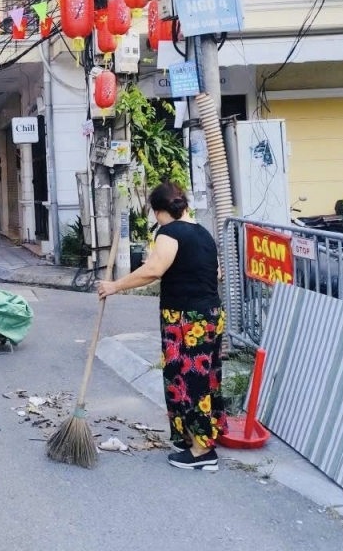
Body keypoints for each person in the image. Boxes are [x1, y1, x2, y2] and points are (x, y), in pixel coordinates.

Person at [97, 182, 227, 471]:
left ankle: (202, 452)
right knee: (202, 378)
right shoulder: (203, 233)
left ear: (158, 212)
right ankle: (190, 437)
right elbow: (215, 272)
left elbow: (154, 271)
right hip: (209, 313)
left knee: (186, 380)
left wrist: (115, 285)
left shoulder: (169, 232)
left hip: (185, 318)